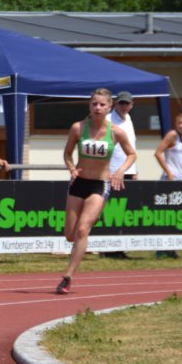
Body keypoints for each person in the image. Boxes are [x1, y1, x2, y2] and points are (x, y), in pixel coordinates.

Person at [57, 88, 136, 294]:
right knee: (70, 235)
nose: (98, 108)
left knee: (83, 229)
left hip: (99, 185)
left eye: (102, 104)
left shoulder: (116, 132)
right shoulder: (78, 128)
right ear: (89, 106)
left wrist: (120, 171)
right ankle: (76, 250)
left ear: (109, 107)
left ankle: (68, 277)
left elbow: (132, 154)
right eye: (94, 104)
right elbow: (67, 154)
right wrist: (72, 169)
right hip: (78, 183)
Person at [154, 111, 182, 259]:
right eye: (179, 123)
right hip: (169, 180)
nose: (181, 126)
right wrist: (168, 172)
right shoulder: (172, 135)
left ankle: (171, 248)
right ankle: (160, 249)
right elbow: (158, 153)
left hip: (181, 180)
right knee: (166, 214)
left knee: (177, 214)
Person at [103, 91, 138, 260]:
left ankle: (119, 247)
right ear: (115, 104)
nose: (124, 106)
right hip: (112, 172)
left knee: (124, 211)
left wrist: (134, 170)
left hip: (127, 171)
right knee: (112, 211)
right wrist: (108, 171)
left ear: (132, 105)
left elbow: (131, 148)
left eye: (127, 103)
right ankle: (109, 249)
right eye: (121, 103)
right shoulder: (108, 119)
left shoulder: (129, 119)